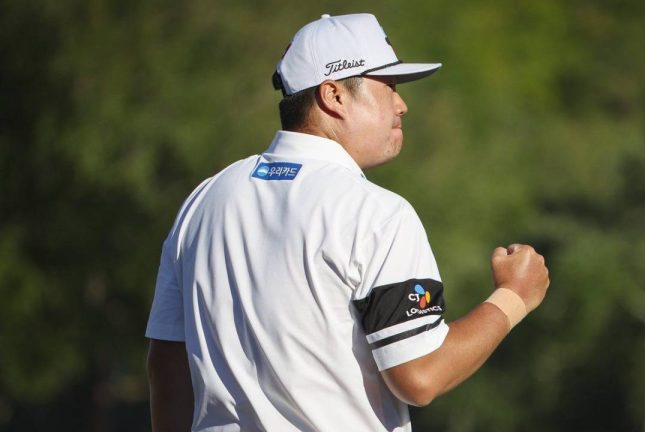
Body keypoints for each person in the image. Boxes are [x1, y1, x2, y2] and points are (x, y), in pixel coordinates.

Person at [145, 12, 549, 432]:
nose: (402, 105)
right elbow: (421, 376)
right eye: (388, 86)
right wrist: (514, 296)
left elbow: (167, 363)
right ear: (334, 95)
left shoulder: (205, 198)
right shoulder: (376, 212)